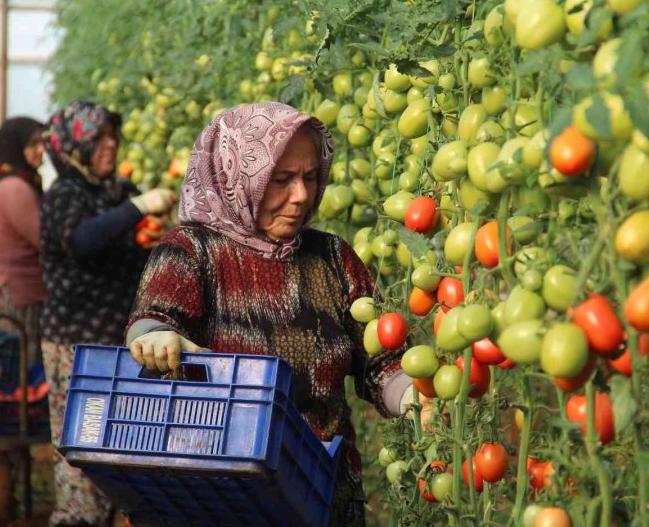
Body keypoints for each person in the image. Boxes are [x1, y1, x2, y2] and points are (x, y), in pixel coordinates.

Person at [125, 102, 419, 526]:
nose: (301, 196)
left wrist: (412, 396)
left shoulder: (333, 258)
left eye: (310, 177)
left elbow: (381, 360)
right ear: (236, 176)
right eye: (280, 180)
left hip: (319, 494)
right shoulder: (192, 251)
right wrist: (157, 337)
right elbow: (153, 319)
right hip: (220, 495)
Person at [40, 101, 177, 527]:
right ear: (75, 144)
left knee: (121, 445)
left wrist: (152, 232)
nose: (110, 145)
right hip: (75, 346)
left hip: (121, 342)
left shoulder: (113, 190)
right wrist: (139, 208)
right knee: (81, 447)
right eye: (99, 137)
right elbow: (83, 241)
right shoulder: (65, 196)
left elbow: (127, 242)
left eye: (113, 136)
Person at [0, 116, 47, 527]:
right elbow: (46, 240)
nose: (41, 152)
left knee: (12, 385)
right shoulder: (15, 188)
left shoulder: (13, 182)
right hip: (8, 301)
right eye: (34, 144)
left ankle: (5, 488)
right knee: (6, 383)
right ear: (15, 146)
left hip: (13, 297)